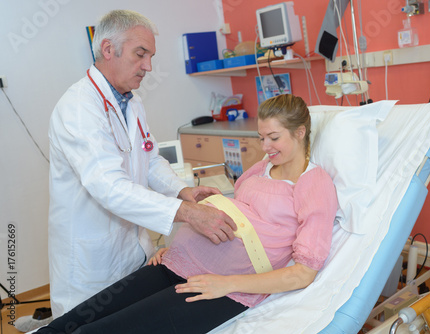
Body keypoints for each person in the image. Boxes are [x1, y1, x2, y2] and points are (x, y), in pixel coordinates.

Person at [38, 94, 338, 333]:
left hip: (222, 285)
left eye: (273, 138)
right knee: (69, 322)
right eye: (261, 138)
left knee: (98, 331)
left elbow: (304, 272)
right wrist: (175, 246)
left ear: (300, 133)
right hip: (176, 262)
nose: (265, 147)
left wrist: (226, 283)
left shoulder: (314, 183)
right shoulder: (262, 168)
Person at [47, 9, 237, 319]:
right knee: (86, 326)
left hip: (133, 249)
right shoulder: (79, 108)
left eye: (150, 56)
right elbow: (109, 187)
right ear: (108, 49)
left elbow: (149, 158)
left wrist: (182, 191)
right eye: (141, 54)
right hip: (92, 261)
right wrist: (187, 214)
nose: (148, 66)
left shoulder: (131, 102)